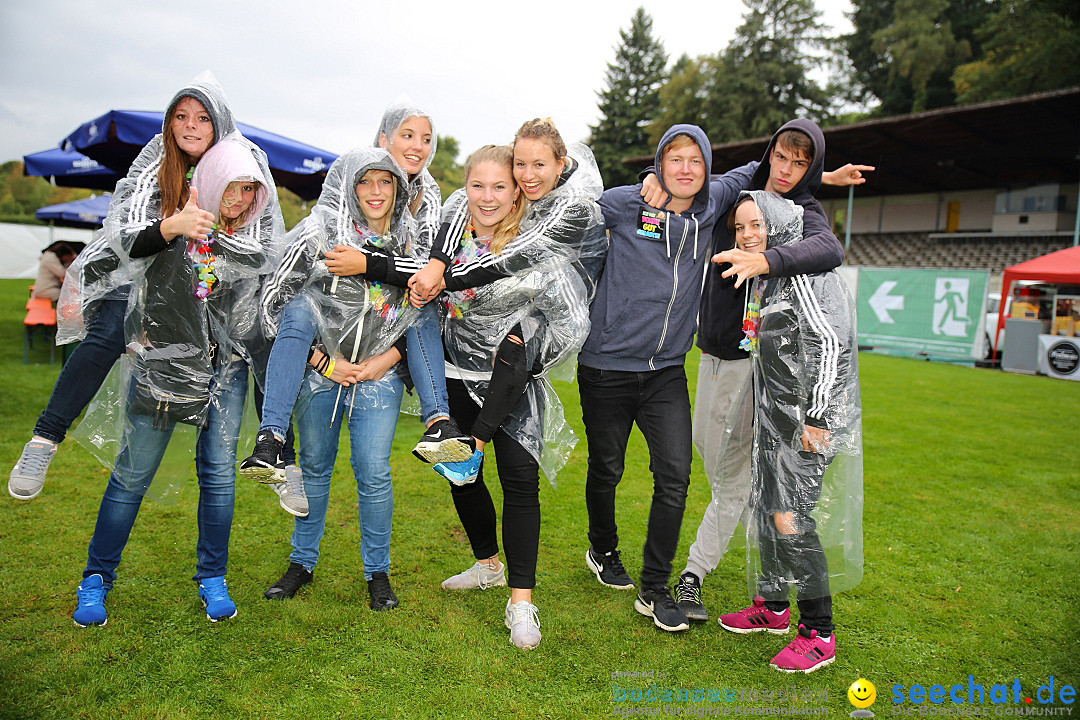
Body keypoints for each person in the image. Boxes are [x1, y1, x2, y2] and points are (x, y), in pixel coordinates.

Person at [71, 75, 286, 627]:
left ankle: (212, 576)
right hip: (163, 359)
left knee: (217, 474)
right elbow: (112, 257)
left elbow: (265, 272)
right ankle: (96, 577)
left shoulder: (245, 209)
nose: (191, 128)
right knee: (132, 472)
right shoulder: (160, 201)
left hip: (225, 366)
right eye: (181, 118)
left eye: (202, 119)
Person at [665, 121, 872, 623]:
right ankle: (774, 603)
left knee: (753, 489)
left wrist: (768, 261)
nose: (787, 171)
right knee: (734, 474)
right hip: (715, 359)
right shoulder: (741, 190)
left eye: (803, 165)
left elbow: (829, 252)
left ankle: (698, 576)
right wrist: (653, 183)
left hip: (761, 374)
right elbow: (709, 180)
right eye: (782, 158)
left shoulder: (803, 217)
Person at [414, 126, 604, 650]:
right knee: (462, 476)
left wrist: (524, 347)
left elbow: (571, 322)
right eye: (479, 186)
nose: (489, 197)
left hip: (512, 387)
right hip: (454, 377)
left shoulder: (534, 248)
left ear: (518, 192)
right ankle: (486, 565)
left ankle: (521, 603)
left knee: (520, 487)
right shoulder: (450, 238)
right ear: (466, 189)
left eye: (502, 187)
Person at [578, 124, 760, 633]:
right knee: (607, 470)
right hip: (606, 365)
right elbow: (571, 199)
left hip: (666, 372)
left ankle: (654, 588)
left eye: (695, 161)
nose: (685, 169)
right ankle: (602, 548)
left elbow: (759, 168)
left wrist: (821, 176)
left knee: (675, 477)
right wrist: (642, 182)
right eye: (673, 159)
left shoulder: (711, 203)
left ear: (706, 169)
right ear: (660, 164)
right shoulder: (625, 203)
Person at [256, 147, 419, 612]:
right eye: (365, 181)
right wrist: (322, 362)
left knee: (373, 474)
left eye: (385, 182)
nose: (375, 191)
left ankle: (378, 574)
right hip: (321, 374)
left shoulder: (410, 243)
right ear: (349, 187)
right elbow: (275, 306)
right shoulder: (320, 233)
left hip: (376, 376)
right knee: (315, 470)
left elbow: (425, 314)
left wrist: (383, 362)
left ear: (398, 189)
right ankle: (301, 564)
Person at [714, 190, 862, 674]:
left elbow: (831, 343)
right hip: (776, 419)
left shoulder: (806, 276)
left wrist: (817, 417)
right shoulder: (766, 279)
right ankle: (773, 607)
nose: (747, 235)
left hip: (809, 423)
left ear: (778, 225)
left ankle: (819, 632)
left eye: (756, 224)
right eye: (740, 228)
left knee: (789, 516)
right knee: (765, 505)